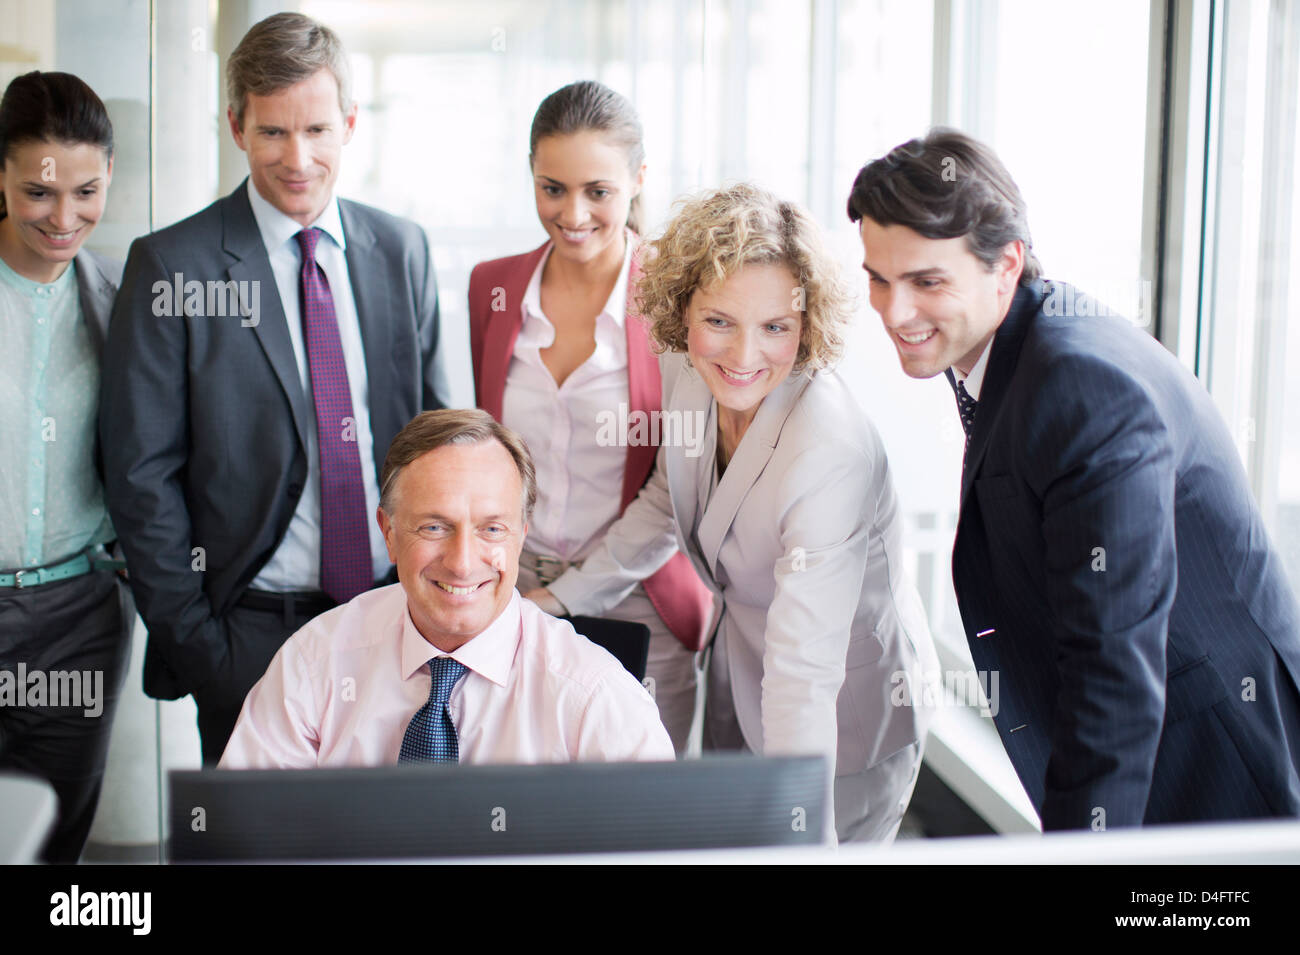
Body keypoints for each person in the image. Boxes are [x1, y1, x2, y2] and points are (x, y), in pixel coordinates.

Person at [849, 127, 1300, 830]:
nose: (893, 311)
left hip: (1215, 770)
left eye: (926, 281)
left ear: (1006, 265)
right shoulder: (1020, 344)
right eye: (879, 278)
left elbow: (1112, 668)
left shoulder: (1082, 388)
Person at [528, 183, 938, 842]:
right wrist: (562, 596)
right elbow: (667, 500)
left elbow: (804, 676)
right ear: (682, 307)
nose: (744, 357)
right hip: (740, 675)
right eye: (719, 320)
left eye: (776, 326)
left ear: (808, 324)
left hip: (839, 718)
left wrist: (799, 833)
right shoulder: (692, 374)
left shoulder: (827, 449)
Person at [100, 12, 451, 764]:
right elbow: (139, 475)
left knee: (385, 842)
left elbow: (437, 441)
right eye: (273, 133)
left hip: (392, 619)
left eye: (318, 130)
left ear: (351, 123)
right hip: (247, 632)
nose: (299, 158)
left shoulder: (401, 251)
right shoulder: (174, 266)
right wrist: (203, 648)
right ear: (235, 125)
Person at [467, 81, 712, 753]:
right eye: (552, 188)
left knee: (635, 819)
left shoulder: (680, 298)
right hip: (512, 592)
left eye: (597, 191)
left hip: (639, 599)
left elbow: (676, 484)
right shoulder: (492, 287)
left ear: (637, 179)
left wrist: (571, 595)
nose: (573, 213)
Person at [219, 409, 673, 768]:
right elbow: (243, 839)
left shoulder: (595, 697)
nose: (461, 562)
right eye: (435, 527)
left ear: (521, 535)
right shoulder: (315, 661)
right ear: (390, 533)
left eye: (491, 529)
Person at [0, 70, 133, 862]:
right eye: (38, 192)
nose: (64, 216)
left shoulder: (121, 297)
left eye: (86, 190)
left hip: (74, 621)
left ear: (109, 174)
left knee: (49, 845)